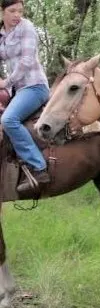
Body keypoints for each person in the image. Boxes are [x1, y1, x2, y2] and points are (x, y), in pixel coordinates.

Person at [0, 0, 50, 192]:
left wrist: (6, 82)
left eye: (20, 11)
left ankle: (39, 168)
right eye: (12, 11)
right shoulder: (2, 35)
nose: (17, 15)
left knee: (9, 119)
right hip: (17, 91)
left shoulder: (26, 27)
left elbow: (27, 60)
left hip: (34, 86)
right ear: (2, 11)